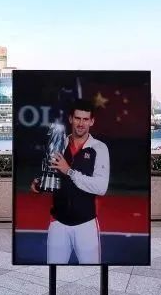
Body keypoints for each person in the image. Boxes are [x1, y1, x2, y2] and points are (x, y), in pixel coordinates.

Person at [31, 100, 110, 264]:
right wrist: (41, 183)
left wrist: (69, 171)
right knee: (54, 270)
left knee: (92, 273)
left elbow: (101, 187)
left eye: (85, 119)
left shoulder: (99, 148)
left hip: (86, 224)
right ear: (70, 119)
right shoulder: (59, 144)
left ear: (92, 121)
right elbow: (54, 176)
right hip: (58, 223)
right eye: (77, 118)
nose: (81, 123)